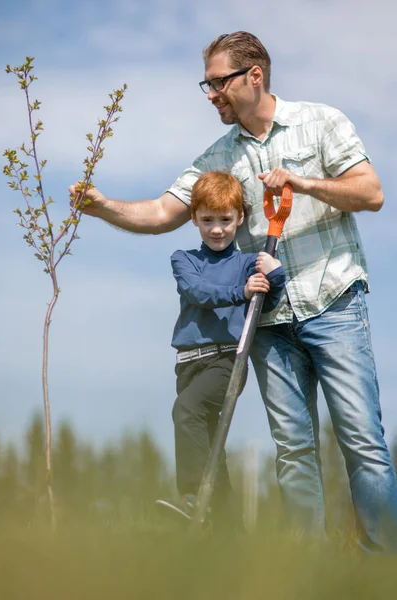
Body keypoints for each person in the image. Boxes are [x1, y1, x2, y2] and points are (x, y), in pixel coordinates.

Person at [69, 31, 397, 551]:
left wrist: (305, 183)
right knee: (293, 450)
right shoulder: (219, 157)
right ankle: (306, 568)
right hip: (266, 321)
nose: (211, 94)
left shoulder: (321, 122)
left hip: (333, 304)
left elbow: (371, 192)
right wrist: (104, 206)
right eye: (207, 83)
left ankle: (382, 564)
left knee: (363, 442)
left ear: (255, 76)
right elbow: (162, 212)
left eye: (218, 82)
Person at [154, 171, 285, 528]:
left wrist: (275, 275)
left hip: (228, 359)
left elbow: (271, 297)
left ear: (239, 219)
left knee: (186, 410)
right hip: (188, 363)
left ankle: (193, 496)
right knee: (212, 446)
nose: (217, 229)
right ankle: (228, 531)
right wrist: (239, 292)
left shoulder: (248, 263)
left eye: (225, 220)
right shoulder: (184, 259)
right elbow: (198, 293)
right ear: (194, 217)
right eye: (208, 220)